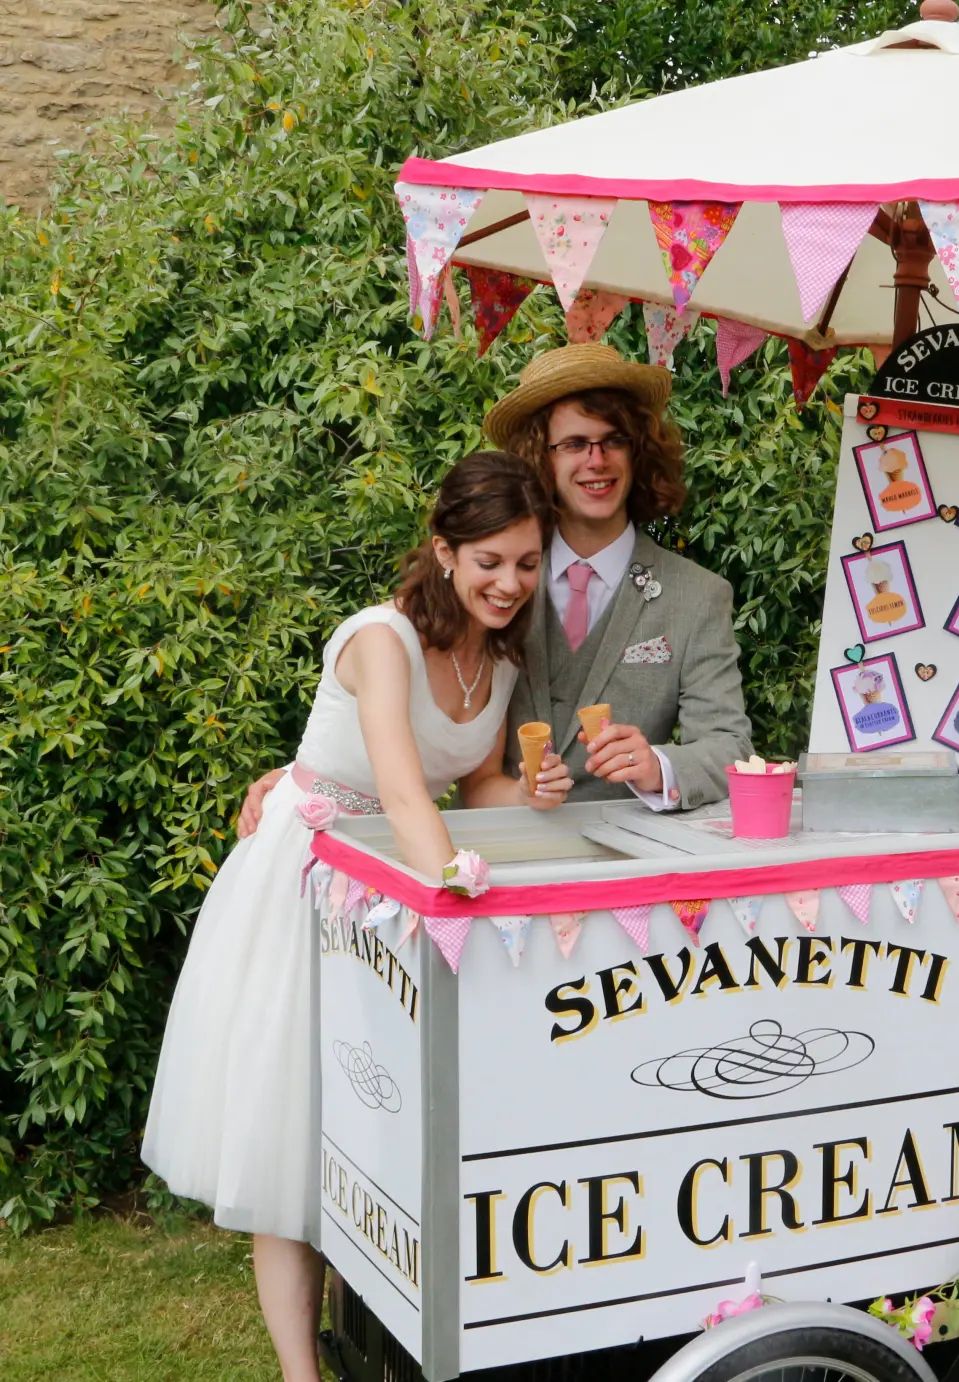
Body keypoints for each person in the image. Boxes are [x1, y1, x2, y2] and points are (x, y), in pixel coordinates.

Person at [143, 453, 572, 1382]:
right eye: (490, 560)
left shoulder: (499, 658)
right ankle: (302, 1373)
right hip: (314, 873)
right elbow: (400, 789)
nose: (509, 583)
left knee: (374, 1119)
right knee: (292, 1126)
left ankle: (377, 1340)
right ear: (445, 552)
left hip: (394, 885)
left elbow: (477, 780)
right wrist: (457, 894)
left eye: (528, 563)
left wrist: (534, 790)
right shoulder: (381, 638)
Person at [238, 343, 752, 832]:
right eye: (574, 443)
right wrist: (311, 779)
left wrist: (658, 764)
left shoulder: (697, 596)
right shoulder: (489, 584)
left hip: (625, 869)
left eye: (614, 439)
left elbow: (731, 747)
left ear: (638, 451)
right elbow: (405, 686)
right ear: (540, 457)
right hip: (489, 856)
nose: (596, 460)